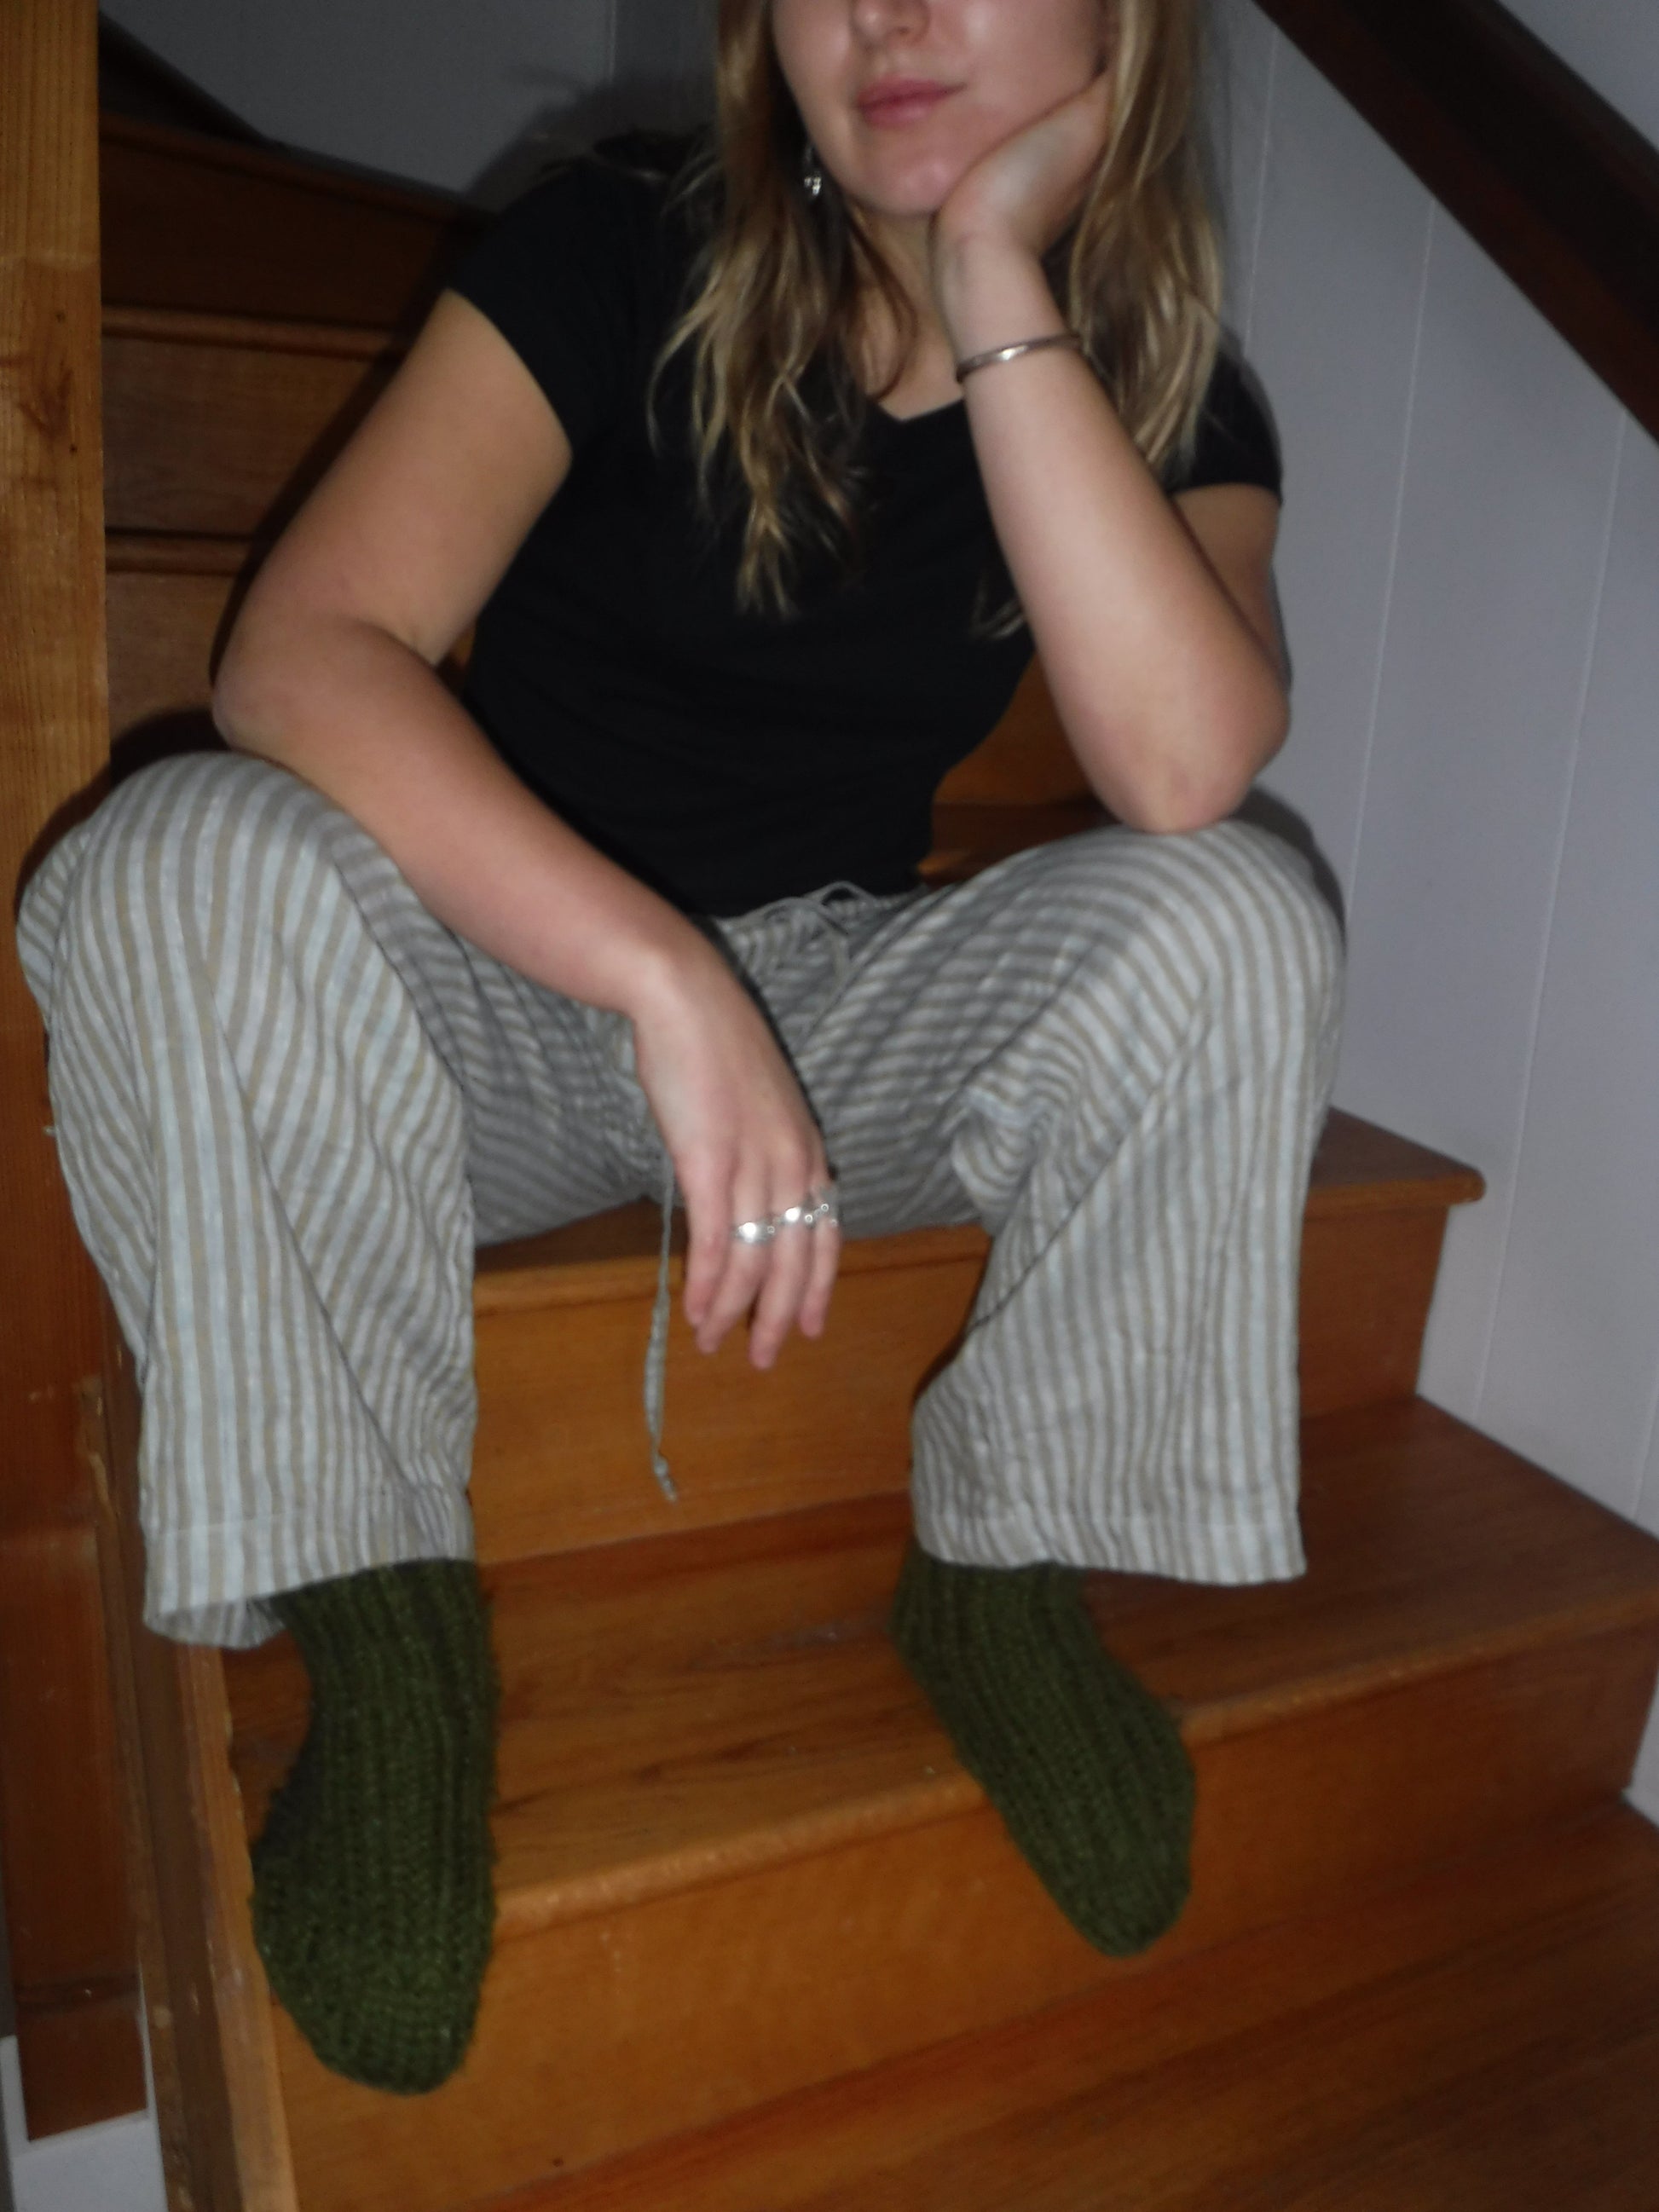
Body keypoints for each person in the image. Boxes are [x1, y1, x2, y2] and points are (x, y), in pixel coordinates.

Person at [17, 0, 1340, 2098]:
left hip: (840, 1021)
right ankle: (388, 1626)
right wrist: (659, 976)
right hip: (501, 982)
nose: (885, 13)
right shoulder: (625, 245)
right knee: (168, 859)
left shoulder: (1166, 389)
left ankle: (997, 1574)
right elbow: (303, 651)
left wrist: (997, 275)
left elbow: (1182, 765)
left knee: (1241, 918)